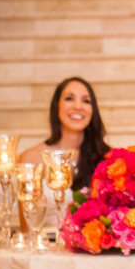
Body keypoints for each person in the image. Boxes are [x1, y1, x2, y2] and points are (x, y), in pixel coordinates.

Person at [18, 76, 111, 230]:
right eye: (69, 98)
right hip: (46, 250)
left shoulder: (108, 158)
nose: (78, 106)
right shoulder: (32, 158)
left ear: (93, 110)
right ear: (57, 106)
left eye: (86, 101)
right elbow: (26, 229)